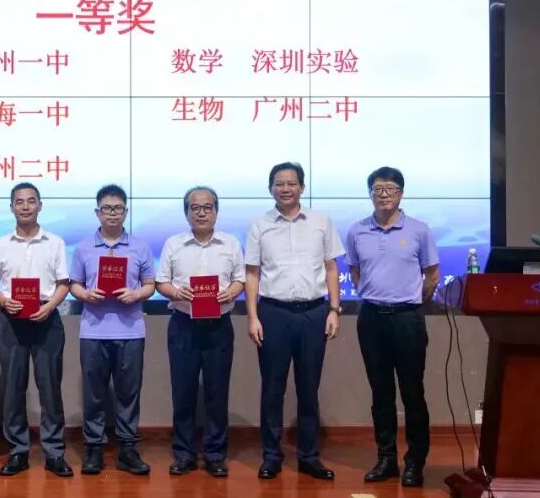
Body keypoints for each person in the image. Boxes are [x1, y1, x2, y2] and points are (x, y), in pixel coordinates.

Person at [245, 162, 344, 481]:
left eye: (291, 183)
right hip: (273, 313)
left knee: (309, 388)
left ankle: (309, 456)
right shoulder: (260, 224)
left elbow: (331, 268)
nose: (285, 188)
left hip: (314, 313)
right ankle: (271, 456)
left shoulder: (321, 222)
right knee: (272, 388)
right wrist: (252, 317)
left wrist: (334, 309)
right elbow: (252, 273)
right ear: (270, 188)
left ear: (302, 187)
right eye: (279, 183)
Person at [347, 167, 440, 488]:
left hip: (407, 319)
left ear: (401, 193)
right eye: (377, 189)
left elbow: (432, 276)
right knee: (380, 392)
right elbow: (354, 270)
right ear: (370, 194)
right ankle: (386, 459)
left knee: (413, 392)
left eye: (390, 189)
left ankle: (415, 462)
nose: (383, 194)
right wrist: (370, 292)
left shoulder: (419, 230)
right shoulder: (357, 231)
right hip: (371, 318)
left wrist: (411, 301)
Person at [155, 186, 244, 477]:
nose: (201, 213)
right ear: (187, 213)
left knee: (217, 392)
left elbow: (240, 279)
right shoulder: (173, 244)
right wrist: (176, 292)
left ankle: (215, 454)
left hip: (219, 326)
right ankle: (184, 454)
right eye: (195, 208)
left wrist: (231, 292)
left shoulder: (231, 243)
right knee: (183, 392)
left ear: (216, 211)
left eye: (207, 207)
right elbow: (161, 282)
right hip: (183, 325)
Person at [0, 183, 72, 477]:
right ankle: (18, 451)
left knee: (50, 388)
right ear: (11, 207)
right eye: (19, 202)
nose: (25, 206)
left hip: (46, 319)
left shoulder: (55, 242)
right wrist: (4, 301)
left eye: (31, 201)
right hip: (11, 321)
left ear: (40, 206)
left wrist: (50, 307)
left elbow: (64, 284)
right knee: (13, 389)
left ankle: (54, 452)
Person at [70, 184, 156, 476]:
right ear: (97, 212)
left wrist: (136, 294)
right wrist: (85, 295)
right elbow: (74, 284)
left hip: (131, 331)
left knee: (128, 393)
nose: (112, 213)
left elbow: (150, 284)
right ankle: (94, 448)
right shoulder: (83, 247)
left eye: (118, 208)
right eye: (106, 208)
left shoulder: (140, 247)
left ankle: (127, 450)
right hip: (93, 331)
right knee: (93, 394)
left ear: (126, 212)